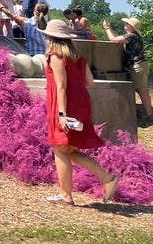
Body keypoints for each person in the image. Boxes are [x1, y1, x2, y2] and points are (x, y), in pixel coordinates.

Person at [41, 19, 119, 206]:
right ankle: (107, 179)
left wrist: (61, 115)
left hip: (64, 105)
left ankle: (66, 195)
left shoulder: (55, 56)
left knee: (59, 148)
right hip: (81, 103)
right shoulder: (79, 58)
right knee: (71, 149)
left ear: (50, 38)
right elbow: (90, 83)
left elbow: (61, 87)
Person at [103, 17, 153, 120]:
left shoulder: (131, 36)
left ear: (131, 26)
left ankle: (149, 115)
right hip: (140, 65)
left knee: (142, 91)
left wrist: (107, 28)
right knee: (141, 90)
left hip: (137, 66)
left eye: (127, 24)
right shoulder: (135, 36)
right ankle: (147, 113)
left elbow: (113, 40)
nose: (125, 25)